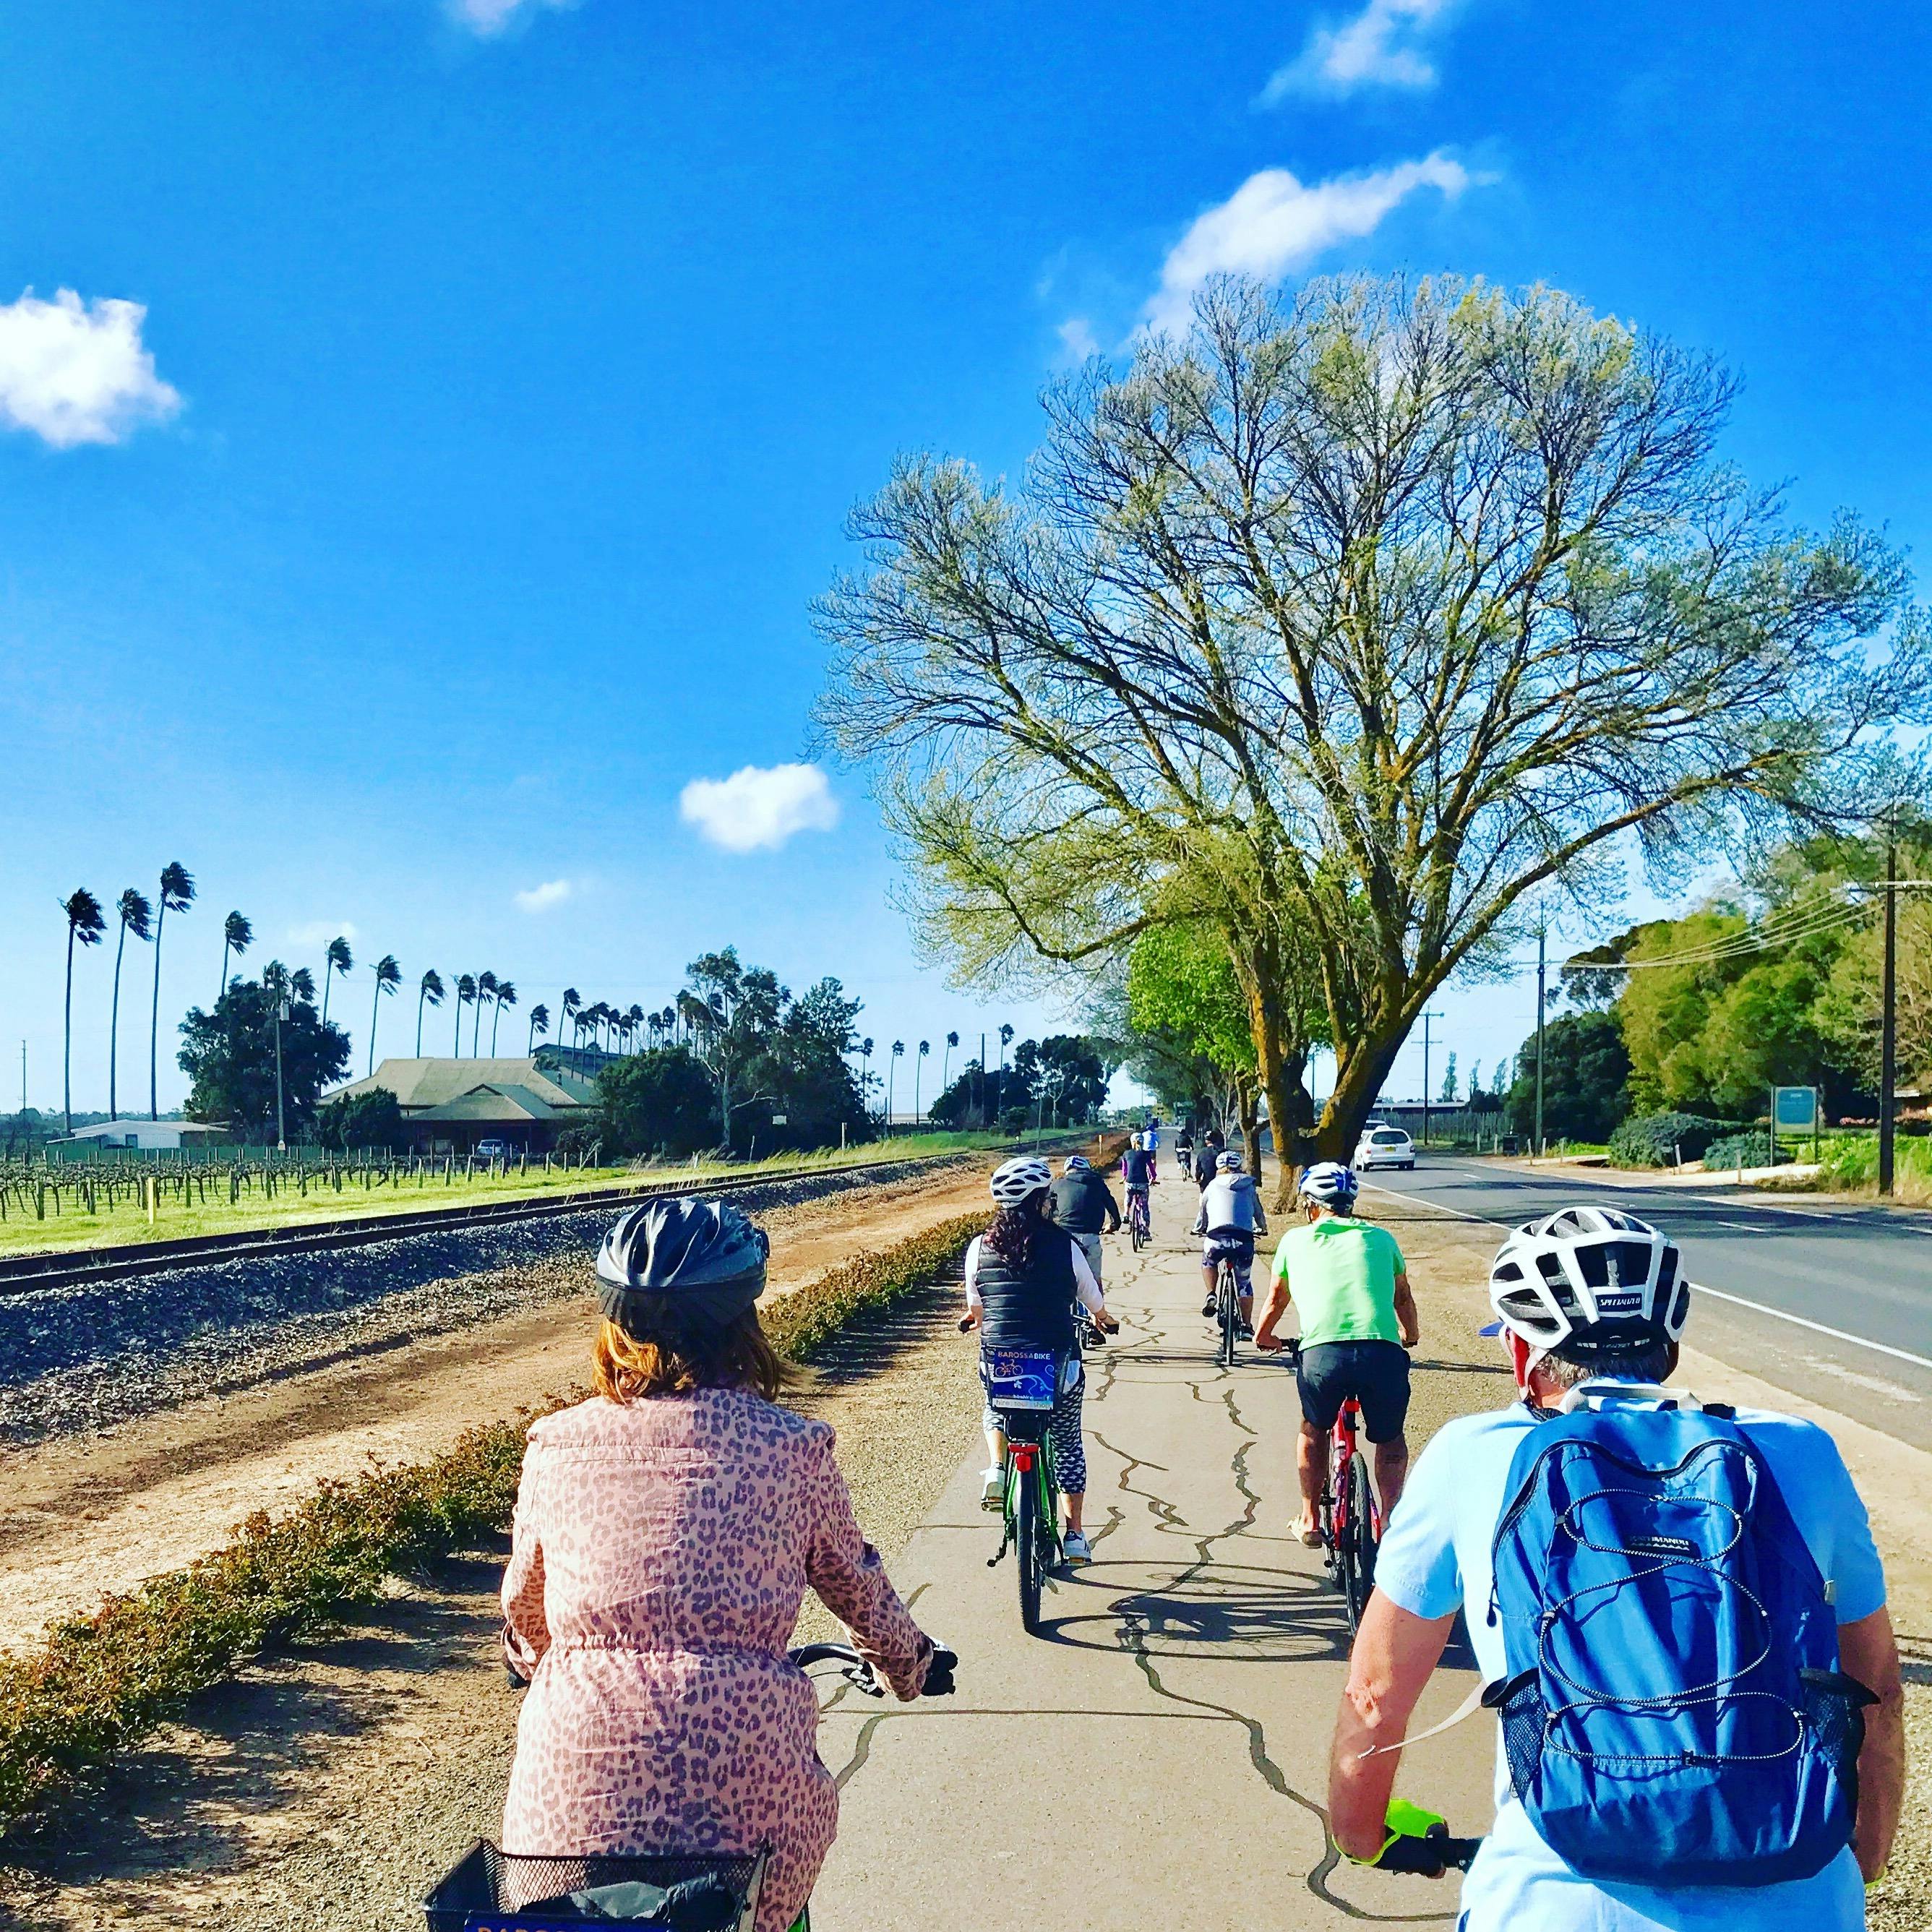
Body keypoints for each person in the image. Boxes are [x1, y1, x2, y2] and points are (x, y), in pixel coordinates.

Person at [1328, 1204, 1905, 1932]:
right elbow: (1878, 1686)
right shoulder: (1799, 1451)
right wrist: (1866, 1853)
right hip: (1796, 1894)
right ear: (1667, 1349)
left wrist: (1363, 1833)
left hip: (1558, 1899)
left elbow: (1376, 1691)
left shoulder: (1473, 1454)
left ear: (1521, 1355)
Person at [499, 1197, 947, 1932]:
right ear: (746, 1322)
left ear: (614, 1326)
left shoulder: (556, 1444)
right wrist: (910, 1665)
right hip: (746, 1793)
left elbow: (526, 1611)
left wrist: (539, 1660)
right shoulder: (791, 1450)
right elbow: (857, 1588)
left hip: (572, 1790)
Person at [962, 1156, 1118, 1562]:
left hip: (1001, 1362)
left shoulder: (979, 1248)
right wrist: (1103, 1319)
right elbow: (1092, 1298)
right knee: (1067, 1441)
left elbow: (977, 1306)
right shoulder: (1065, 1246)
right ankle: (1075, 1535)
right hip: (1057, 1367)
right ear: (1041, 1201)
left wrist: (975, 1318)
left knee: (995, 1405)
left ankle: (997, 1467)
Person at [1253, 1160, 1418, 1542]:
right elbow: (1403, 1296)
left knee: (1314, 1430)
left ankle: (1311, 1519)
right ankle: (1391, 1522)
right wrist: (1410, 1333)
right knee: (1390, 1441)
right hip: (1382, 1353)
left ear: (1311, 1204)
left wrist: (1264, 1336)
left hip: (1323, 1355)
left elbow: (1278, 1298)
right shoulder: (1381, 1238)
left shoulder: (1296, 1240)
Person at [1190, 1148, 1268, 1336]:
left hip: (1217, 1238)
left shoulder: (1212, 1186)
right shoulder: (1249, 1186)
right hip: (1243, 1240)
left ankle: (1211, 1293)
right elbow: (1258, 1212)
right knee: (1244, 1282)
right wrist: (1262, 1228)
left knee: (1208, 1261)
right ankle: (1247, 1327)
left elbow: (1203, 1214)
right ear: (1239, 1166)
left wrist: (1199, 1228)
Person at [1045, 1151, 1121, 1289]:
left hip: (1065, 1238)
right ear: (1087, 1170)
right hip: (1090, 1238)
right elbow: (1111, 1204)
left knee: (1060, 1279)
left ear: (1067, 1171)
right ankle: (1098, 1310)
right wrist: (1114, 1225)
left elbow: (1047, 1210)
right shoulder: (1097, 1182)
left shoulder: (1058, 1184)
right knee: (1094, 1280)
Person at [1119, 1133, 1156, 1224]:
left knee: (1128, 1196)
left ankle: (1126, 1214)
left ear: (1132, 1142)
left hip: (1130, 1182)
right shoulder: (1146, 1154)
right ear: (1143, 1142)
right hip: (1143, 1184)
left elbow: (1125, 1168)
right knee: (1144, 1205)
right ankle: (1146, 1230)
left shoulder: (1126, 1153)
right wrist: (1153, 1178)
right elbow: (1151, 1168)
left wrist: (1124, 1178)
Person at [1192, 1126, 1227, 1192]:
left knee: (1203, 1200)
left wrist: (1197, 1178)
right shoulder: (1224, 1152)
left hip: (1207, 1185)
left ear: (1206, 1141)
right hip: (1223, 1185)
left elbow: (1199, 1170)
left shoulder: (1202, 1153)